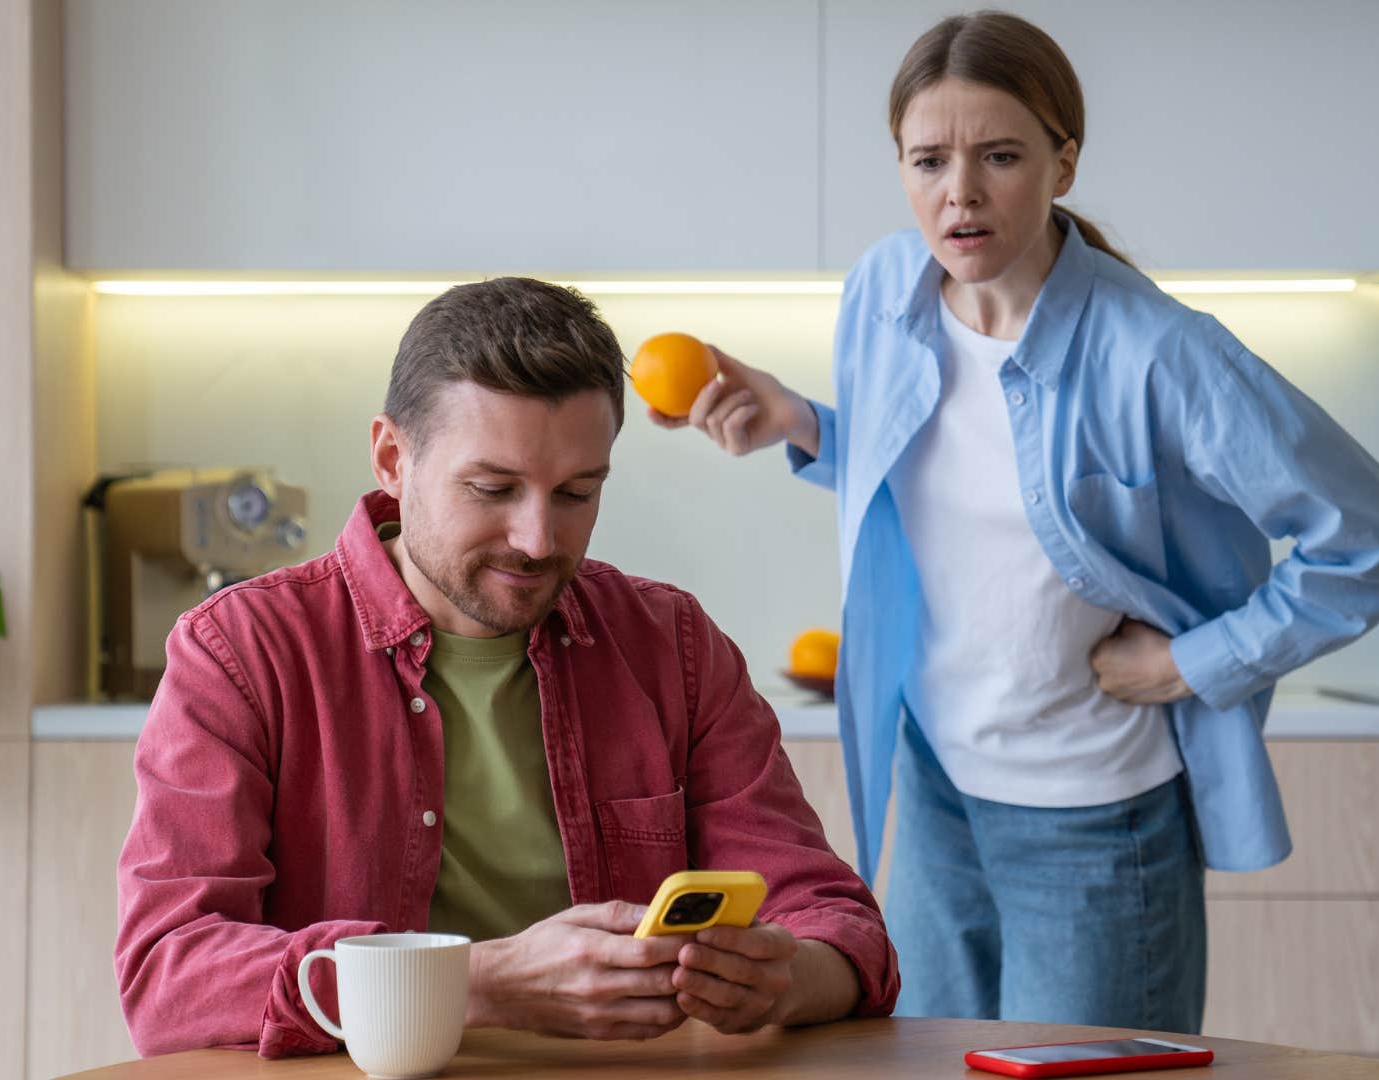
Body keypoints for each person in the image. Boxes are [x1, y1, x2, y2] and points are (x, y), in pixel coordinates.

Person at [654, 10, 1379, 1031]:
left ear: (1064, 162)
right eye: (928, 160)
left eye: (1000, 156)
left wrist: (1195, 663)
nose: (959, 194)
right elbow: (952, 479)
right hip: (932, 792)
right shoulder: (884, 291)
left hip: (1094, 821)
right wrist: (798, 424)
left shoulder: (1158, 350)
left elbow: (1372, 536)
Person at [114, 276, 898, 1058]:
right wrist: (481, 981)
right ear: (392, 457)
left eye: (576, 493)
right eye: (493, 489)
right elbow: (169, 976)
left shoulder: (674, 647)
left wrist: (785, 976)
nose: (537, 538)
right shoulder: (239, 652)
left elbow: (842, 928)